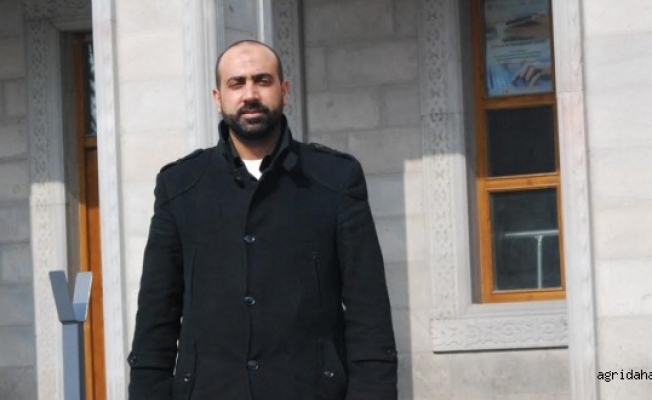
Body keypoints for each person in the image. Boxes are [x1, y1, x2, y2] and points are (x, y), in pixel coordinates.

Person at [127, 39, 398, 400]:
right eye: (236, 83)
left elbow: (369, 310)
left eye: (262, 81)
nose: (250, 94)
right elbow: (156, 317)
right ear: (218, 97)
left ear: (284, 90)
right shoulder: (179, 186)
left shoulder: (335, 179)